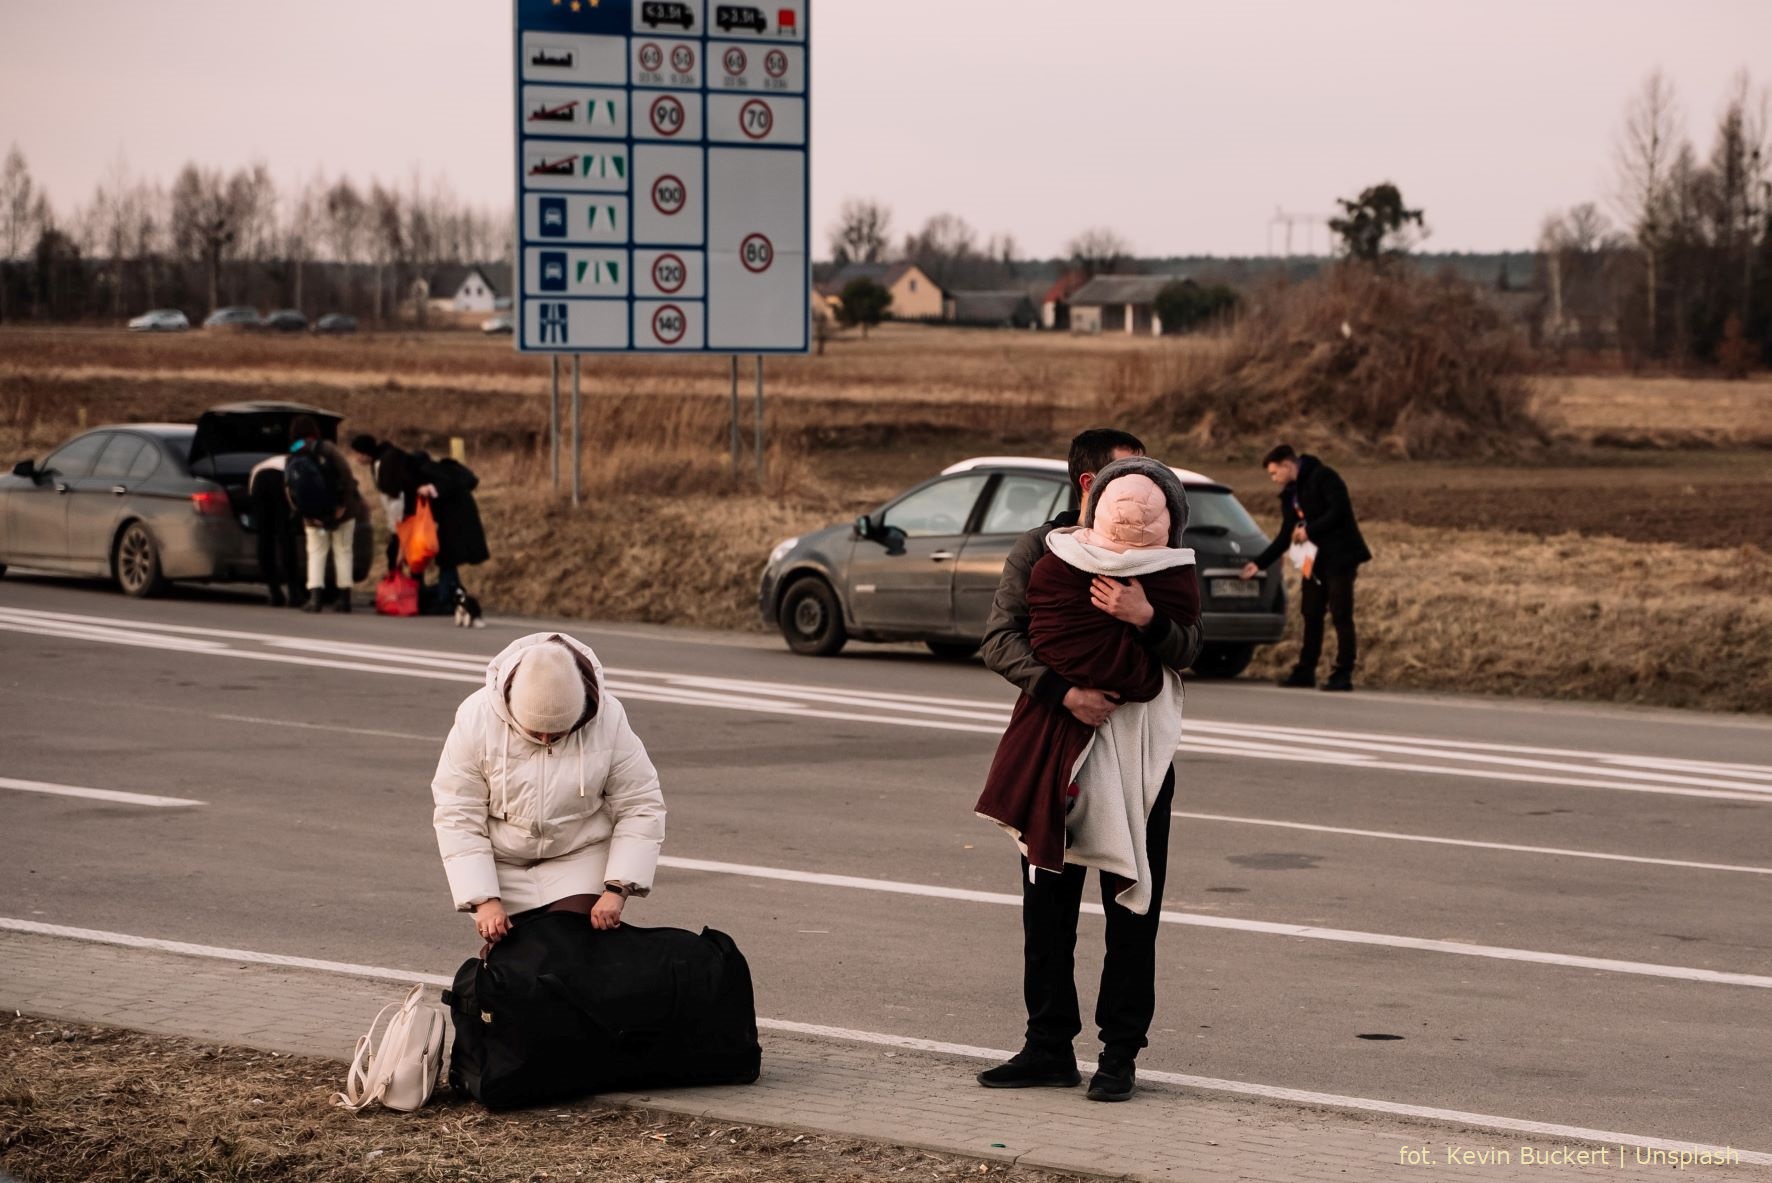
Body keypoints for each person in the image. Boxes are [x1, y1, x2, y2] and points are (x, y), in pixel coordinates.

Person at [977, 432, 1204, 1104]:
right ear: (1088, 486)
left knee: (1131, 911)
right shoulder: (1041, 552)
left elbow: (1190, 644)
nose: (1143, 490)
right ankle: (1048, 1044)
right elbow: (1000, 639)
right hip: (1054, 741)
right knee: (1047, 905)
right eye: (1125, 476)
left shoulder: (1165, 557)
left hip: (1137, 758)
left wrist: (1146, 617)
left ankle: (1119, 1056)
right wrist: (1064, 691)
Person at [431, 632, 666, 948]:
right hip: (502, 861)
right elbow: (457, 812)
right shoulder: (477, 718)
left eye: (558, 733)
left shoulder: (608, 719)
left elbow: (641, 803)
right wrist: (483, 899)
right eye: (535, 731)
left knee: (563, 948)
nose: (546, 740)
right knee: (514, 963)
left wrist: (616, 888)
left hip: (578, 854)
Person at [1239, 444, 1372, 691]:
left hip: (1340, 558)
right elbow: (1285, 535)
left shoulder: (1324, 477)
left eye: (1274, 473)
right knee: (1311, 613)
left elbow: (1339, 511)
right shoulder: (1290, 494)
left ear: (1288, 465)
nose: (1274, 479)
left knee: (1341, 614)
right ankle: (1306, 669)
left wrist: (1309, 530)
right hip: (1314, 562)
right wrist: (1258, 564)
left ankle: (1343, 672)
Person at [286, 415, 364, 614]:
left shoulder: (293, 455)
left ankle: (315, 599)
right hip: (342, 513)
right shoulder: (327, 448)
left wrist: (305, 513)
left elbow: (290, 489)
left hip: (312, 517)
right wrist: (342, 506)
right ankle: (344, 599)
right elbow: (347, 476)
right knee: (343, 552)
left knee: (316, 554)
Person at [247, 451, 303, 608]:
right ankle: (294, 593)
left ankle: (274, 592)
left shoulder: (263, 464)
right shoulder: (301, 463)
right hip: (281, 481)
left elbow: (250, 492)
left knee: (265, 538)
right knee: (286, 537)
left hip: (258, 482)